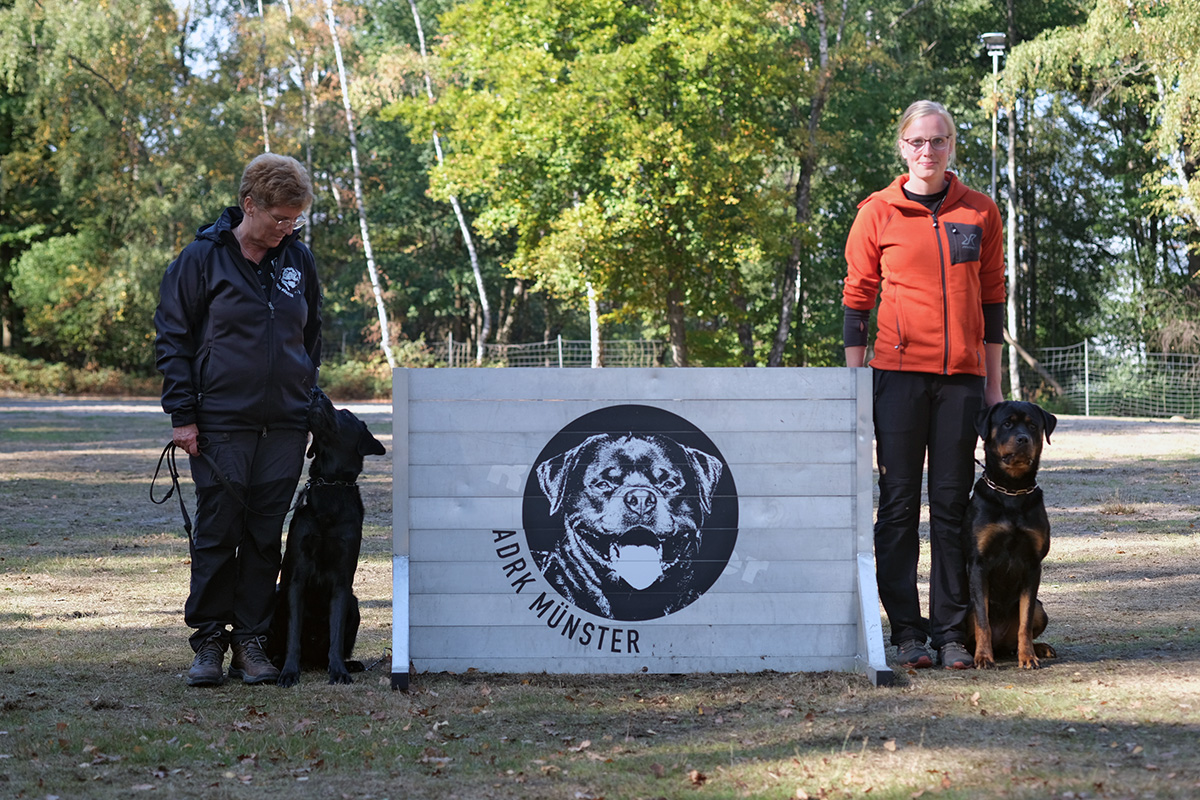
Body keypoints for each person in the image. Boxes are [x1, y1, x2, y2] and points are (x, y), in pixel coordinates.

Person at [842, 100, 1005, 670]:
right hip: (897, 378)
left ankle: (952, 633)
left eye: (938, 141)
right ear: (902, 147)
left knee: (954, 508)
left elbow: (993, 303)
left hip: (962, 382)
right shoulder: (876, 213)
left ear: (952, 146)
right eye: (917, 142)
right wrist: (855, 385)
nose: (927, 152)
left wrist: (993, 393)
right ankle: (907, 633)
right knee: (899, 506)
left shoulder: (981, 212)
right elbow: (857, 300)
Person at [155, 153, 322, 686]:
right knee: (216, 533)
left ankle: (251, 642)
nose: (286, 228)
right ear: (249, 204)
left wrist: (305, 395)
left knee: (264, 536)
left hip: (286, 427)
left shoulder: (299, 259)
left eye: (294, 219)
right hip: (220, 423)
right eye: (278, 218)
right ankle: (207, 641)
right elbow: (173, 339)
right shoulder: (200, 259)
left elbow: (309, 335)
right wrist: (183, 415)